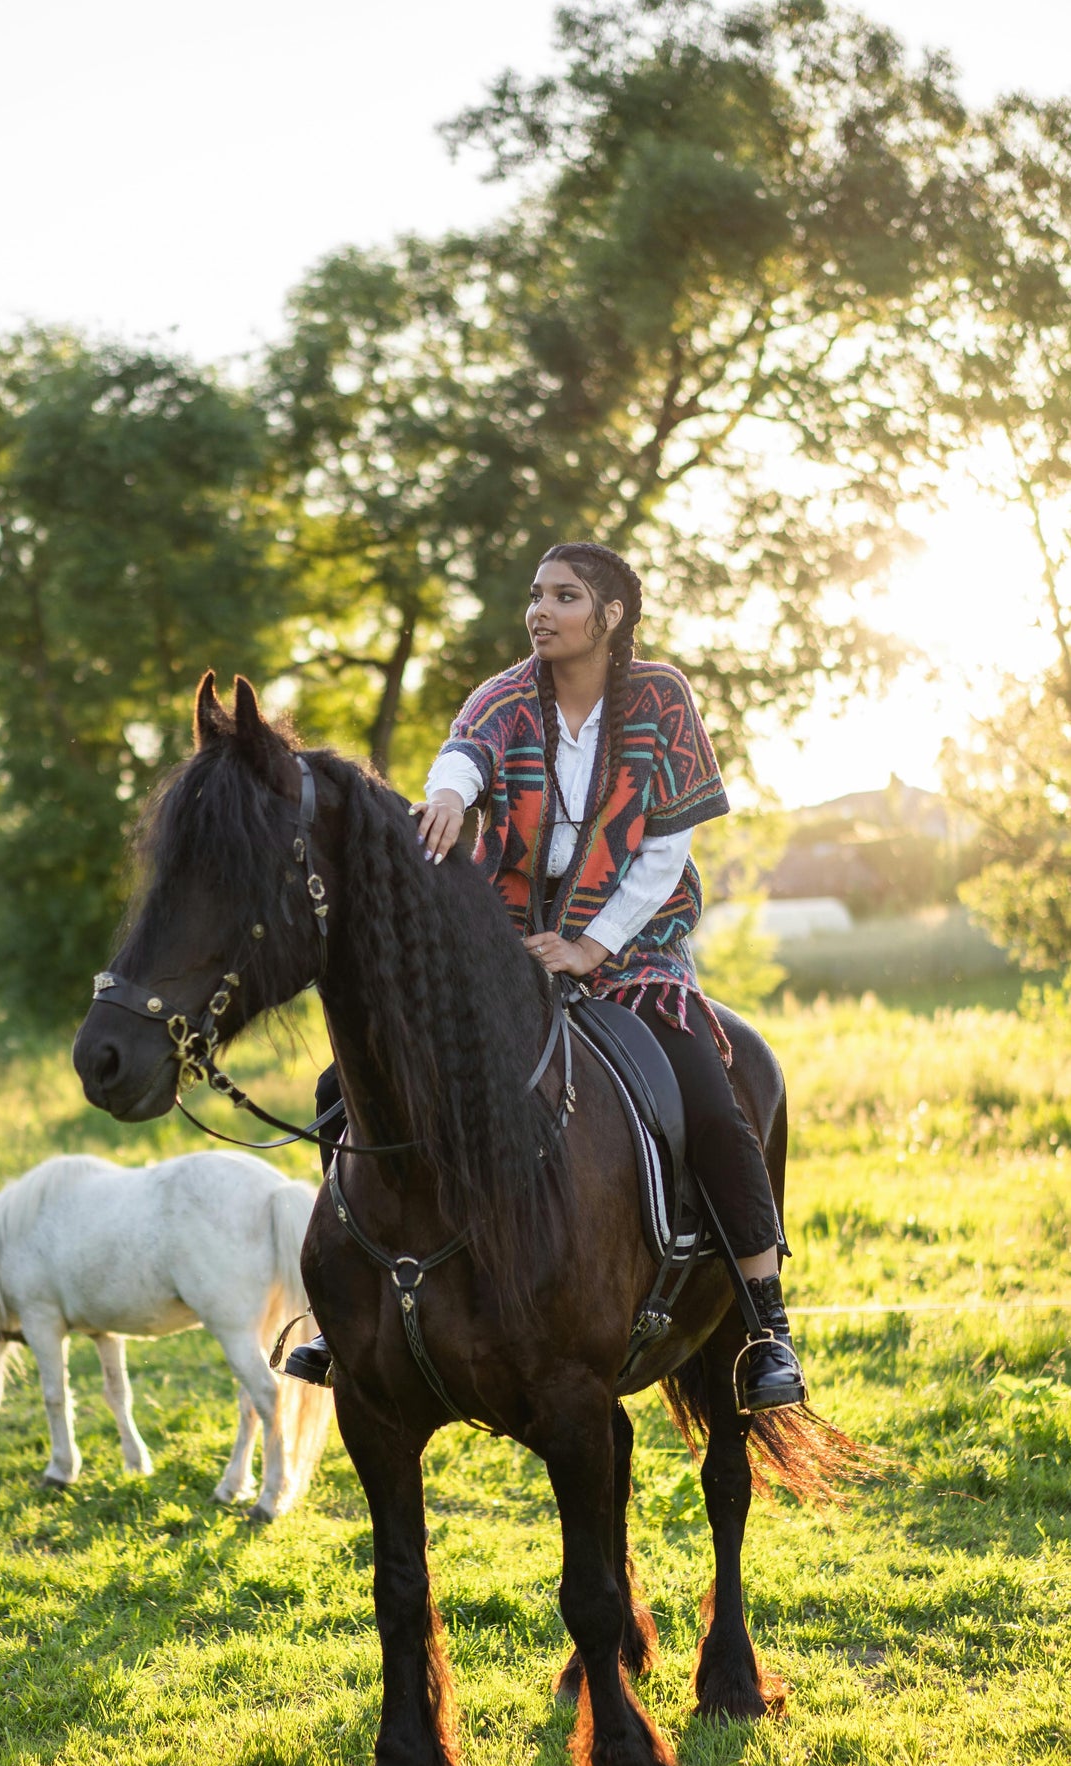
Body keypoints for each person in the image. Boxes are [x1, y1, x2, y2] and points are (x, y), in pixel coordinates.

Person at [285, 541, 806, 1411]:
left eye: (564, 597)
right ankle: (341, 1312)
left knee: (712, 1102)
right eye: (534, 594)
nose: (540, 610)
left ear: (609, 617)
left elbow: (663, 851)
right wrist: (448, 796)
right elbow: (464, 753)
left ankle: (762, 1326)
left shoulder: (661, 700)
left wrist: (592, 947)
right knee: (348, 1084)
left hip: (634, 948)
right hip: (510, 948)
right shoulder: (503, 695)